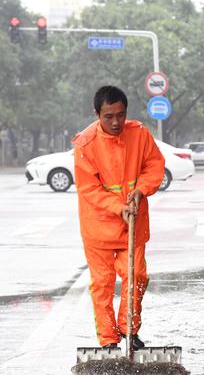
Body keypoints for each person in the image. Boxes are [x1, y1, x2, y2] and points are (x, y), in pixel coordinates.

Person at [72, 85, 165, 349]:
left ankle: (129, 331)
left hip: (133, 226)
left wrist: (141, 189)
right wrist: (118, 207)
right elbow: (89, 188)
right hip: (98, 228)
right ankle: (108, 341)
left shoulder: (140, 134)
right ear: (96, 114)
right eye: (108, 116)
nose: (116, 122)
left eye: (121, 115)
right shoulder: (85, 144)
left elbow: (155, 166)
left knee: (136, 277)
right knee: (102, 285)